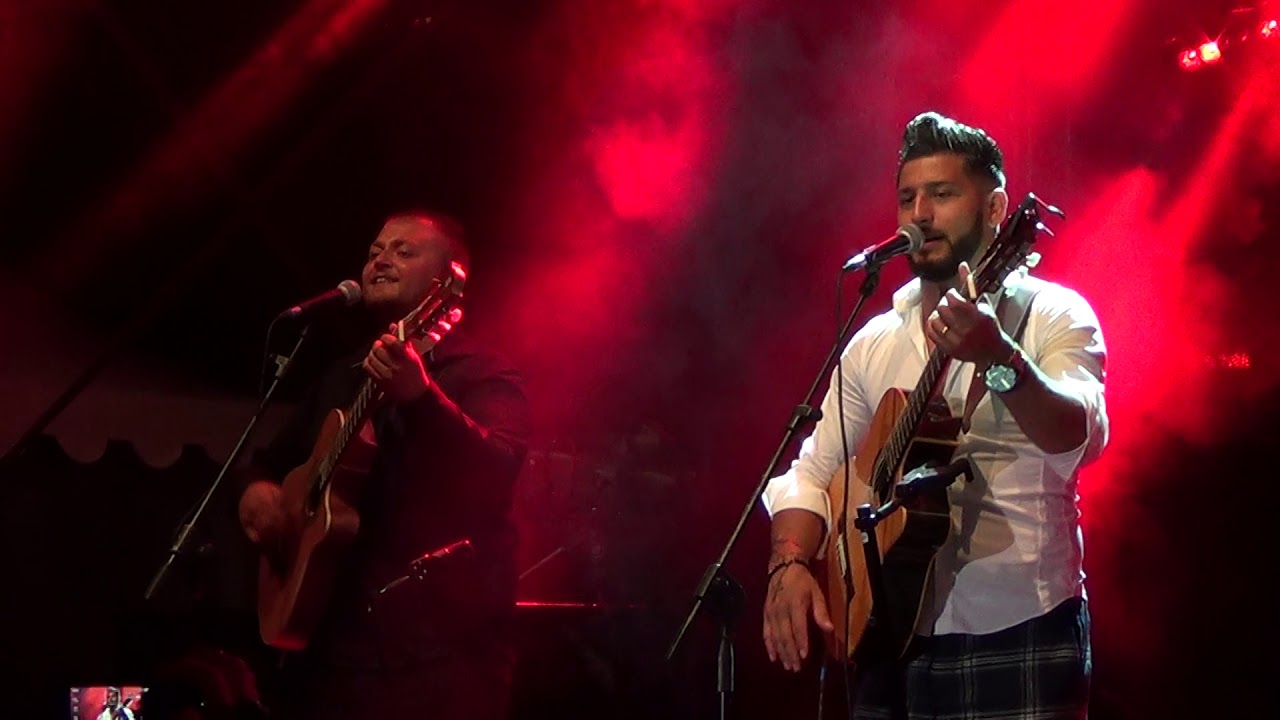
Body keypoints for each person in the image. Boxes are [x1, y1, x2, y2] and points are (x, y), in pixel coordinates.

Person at [760, 112, 1108, 719]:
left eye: (942, 195)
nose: (919, 215)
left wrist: (1001, 358)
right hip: (886, 638)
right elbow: (812, 472)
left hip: (1019, 627)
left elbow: (1078, 434)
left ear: (996, 209)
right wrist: (788, 562)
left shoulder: (1053, 315)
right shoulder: (874, 342)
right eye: (907, 198)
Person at [236, 209, 532, 719]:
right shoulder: (342, 375)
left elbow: (498, 469)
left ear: (446, 282)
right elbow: (268, 463)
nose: (381, 260)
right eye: (374, 251)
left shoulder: (484, 374)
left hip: (437, 662)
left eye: (403, 251)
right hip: (327, 656)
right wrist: (255, 492)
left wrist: (421, 398)